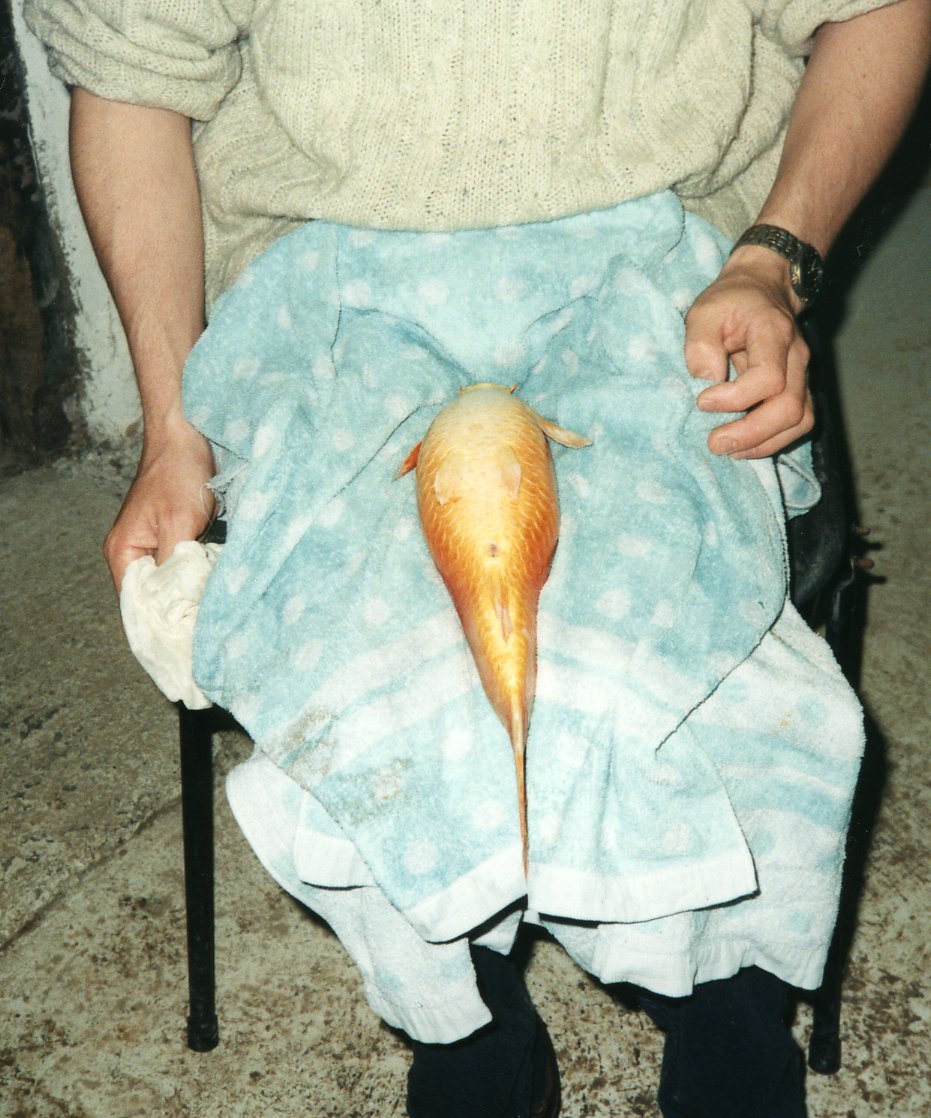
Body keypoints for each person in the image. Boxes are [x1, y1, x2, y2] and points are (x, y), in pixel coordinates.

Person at [25, 2, 931, 1115]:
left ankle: (729, 1003)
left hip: (657, 250)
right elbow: (134, 74)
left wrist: (774, 258)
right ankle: (469, 1024)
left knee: (679, 651)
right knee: (364, 678)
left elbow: (878, 9)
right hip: (329, 284)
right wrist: (174, 428)